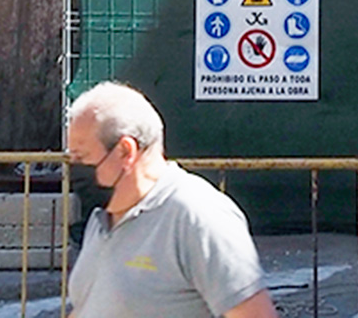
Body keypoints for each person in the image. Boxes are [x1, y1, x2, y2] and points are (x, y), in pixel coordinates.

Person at [65, 81, 278, 318]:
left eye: (81, 157)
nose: (73, 169)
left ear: (125, 151)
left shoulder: (197, 216)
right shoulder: (102, 219)